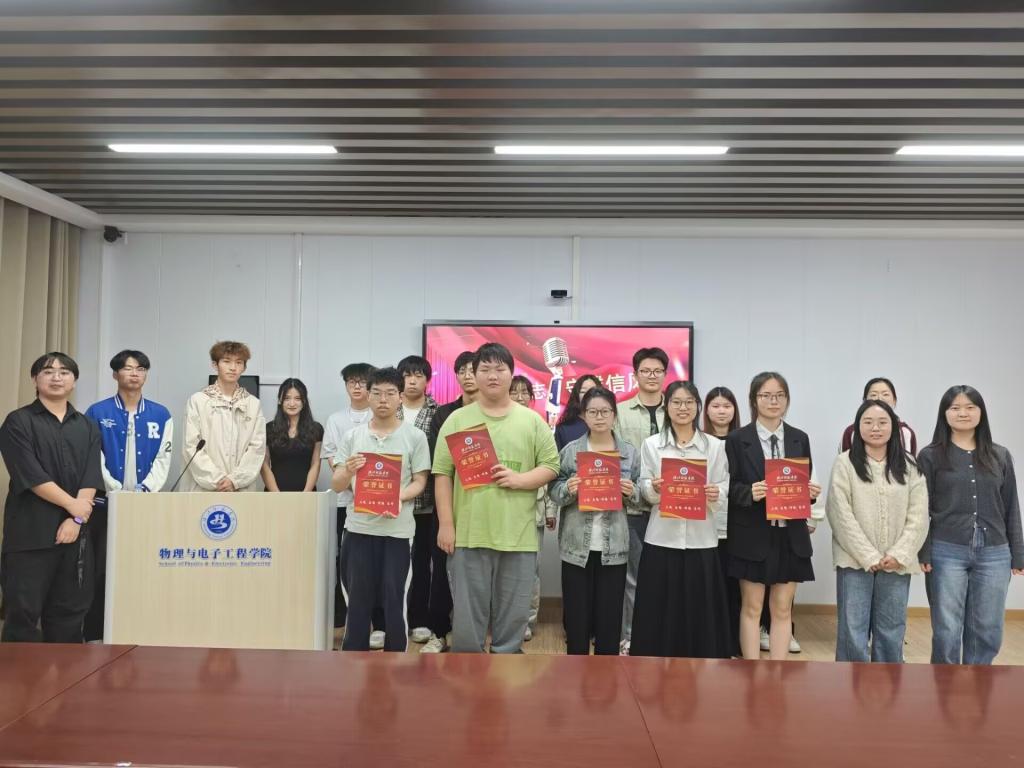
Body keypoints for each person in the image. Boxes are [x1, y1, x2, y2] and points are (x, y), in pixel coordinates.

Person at [433, 343, 559, 654]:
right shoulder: (457, 420)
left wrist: (520, 480)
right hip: (469, 534)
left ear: (511, 374)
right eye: (485, 369)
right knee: (467, 622)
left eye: (499, 369)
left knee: (513, 622)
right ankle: (468, 676)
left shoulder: (532, 421)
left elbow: (551, 466)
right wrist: (446, 524)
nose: (492, 375)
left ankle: (506, 674)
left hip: (518, 537)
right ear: (474, 375)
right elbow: (442, 475)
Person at [0, 352, 103, 643]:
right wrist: (73, 507)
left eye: (64, 372)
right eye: (48, 372)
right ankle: (21, 674)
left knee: (70, 615)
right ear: (35, 379)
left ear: (74, 381)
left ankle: (65, 674)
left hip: (75, 537)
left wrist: (77, 520)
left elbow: (91, 476)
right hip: (30, 536)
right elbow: (31, 475)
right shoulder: (18, 421)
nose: (57, 377)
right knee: (23, 615)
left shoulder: (87, 425)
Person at [918, 385, 1024, 665]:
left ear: (981, 412)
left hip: (995, 552)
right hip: (945, 551)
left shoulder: (1000, 455)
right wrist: (924, 550)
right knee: (947, 628)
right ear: (944, 414)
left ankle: (978, 682)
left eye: (970, 407)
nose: (962, 413)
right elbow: (920, 509)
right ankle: (945, 684)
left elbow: (1011, 505)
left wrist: (1018, 553)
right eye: (955, 408)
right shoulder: (930, 456)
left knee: (988, 628)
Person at [724, 371, 823, 661]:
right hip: (752, 534)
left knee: (782, 608)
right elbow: (727, 486)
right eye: (766, 395)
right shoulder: (737, 439)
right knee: (752, 607)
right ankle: (751, 671)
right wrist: (749, 492)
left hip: (790, 535)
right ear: (754, 400)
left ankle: (778, 674)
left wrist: (810, 493)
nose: (773, 401)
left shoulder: (799, 438)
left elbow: (802, 482)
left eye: (779, 395)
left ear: (787, 400)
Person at [331, 367, 430, 652]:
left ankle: (396, 662)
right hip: (358, 529)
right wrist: (347, 470)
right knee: (357, 601)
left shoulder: (415, 437)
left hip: (397, 532)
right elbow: (338, 485)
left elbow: (420, 481)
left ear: (400, 397)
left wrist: (398, 497)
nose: (383, 399)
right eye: (377, 393)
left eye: (389, 393)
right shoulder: (353, 436)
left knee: (395, 600)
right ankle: (353, 661)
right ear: (368, 396)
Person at [632, 381, 731, 658]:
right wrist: (654, 488)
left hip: (702, 539)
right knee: (658, 607)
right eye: (676, 402)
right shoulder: (652, 444)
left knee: (699, 607)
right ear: (667, 406)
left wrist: (716, 492)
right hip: (661, 538)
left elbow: (724, 484)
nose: (683, 407)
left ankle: (700, 662)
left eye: (689, 402)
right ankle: (655, 662)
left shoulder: (714, 446)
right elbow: (643, 486)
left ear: (698, 406)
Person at [826, 399, 928, 663]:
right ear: (857, 427)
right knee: (852, 630)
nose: (875, 428)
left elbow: (918, 515)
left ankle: (888, 685)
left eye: (883, 422)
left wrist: (900, 554)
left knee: (891, 630)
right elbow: (839, 513)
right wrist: (868, 556)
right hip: (854, 561)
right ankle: (850, 686)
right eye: (868, 422)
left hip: (897, 563)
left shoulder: (910, 465)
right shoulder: (845, 463)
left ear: (893, 426)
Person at [83, 349, 174, 642]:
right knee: (101, 569)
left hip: (146, 505)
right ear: (115, 374)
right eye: (128, 368)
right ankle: (95, 633)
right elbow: (92, 457)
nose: (134, 373)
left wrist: (145, 489)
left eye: (140, 369)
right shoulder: (97, 412)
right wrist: (115, 490)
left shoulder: (161, 414)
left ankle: (141, 629)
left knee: (144, 567)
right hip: (105, 504)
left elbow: (164, 457)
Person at [549, 386, 639, 654]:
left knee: (609, 623)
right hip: (576, 548)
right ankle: (576, 673)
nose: (599, 417)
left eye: (605, 412)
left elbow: (642, 497)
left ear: (614, 415)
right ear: (584, 415)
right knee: (577, 623)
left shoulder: (629, 453)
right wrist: (568, 488)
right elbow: (554, 490)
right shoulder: (570, 451)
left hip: (615, 549)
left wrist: (632, 492)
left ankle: (606, 675)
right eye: (593, 412)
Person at [420, 351, 478, 653]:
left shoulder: (494, 412)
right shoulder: (444, 414)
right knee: (442, 571)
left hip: (482, 502)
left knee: (480, 575)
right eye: (462, 371)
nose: (468, 376)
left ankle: (478, 636)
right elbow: (438, 461)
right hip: (447, 503)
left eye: (472, 370)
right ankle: (439, 632)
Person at [614, 347, 668, 654]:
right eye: (645, 371)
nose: (651, 376)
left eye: (657, 371)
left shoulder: (677, 408)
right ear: (635, 375)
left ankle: (663, 636)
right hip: (633, 508)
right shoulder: (620, 412)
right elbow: (616, 457)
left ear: (665, 374)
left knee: (666, 577)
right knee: (633, 578)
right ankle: (631, 637)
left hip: (669, 509)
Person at [322, 362, 379, 639]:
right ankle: (349, 621)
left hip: (377, 501)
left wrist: (368, 488)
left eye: (362, 382)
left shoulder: (380, 416)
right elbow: (333, 458)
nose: (357, 387)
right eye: (351, 382)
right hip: (346, 501)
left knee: (377, 563)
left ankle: (378, 623)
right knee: (347, 562)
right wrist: (350, 481)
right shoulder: (335, 420)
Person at [180, 340, 266, 493]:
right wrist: (218, 480)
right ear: (215, 365)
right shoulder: (198, 401)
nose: (233, 368)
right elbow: (191, 446)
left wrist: (235, 480)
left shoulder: (253, 404)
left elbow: (257, 448)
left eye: (239, 362)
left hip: (240, 489)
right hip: (204, 488)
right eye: (227, 361)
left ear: (244, 367)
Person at [397, 355, 440, 645]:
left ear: (427, 380)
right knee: (394, 564)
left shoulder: (437, 412)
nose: (412, 381)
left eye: (418, 375)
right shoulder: (389, 409)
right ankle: (390, 621)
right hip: (392, 503)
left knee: (423, 564)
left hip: (426, 503)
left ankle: (419, 619)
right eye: (407, 375)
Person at [510, 374, 553, 641]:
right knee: (503, 571)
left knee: (530, 570)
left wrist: (550, 511)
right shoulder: (493, 424)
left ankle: (526, 620)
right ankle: (502, 619)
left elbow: (550, 470)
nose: (520, 397)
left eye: (524, 392)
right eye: (514, 392)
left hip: (532, 510)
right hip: (502, 509)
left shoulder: (540, 426)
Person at [702, 385, 742, 656]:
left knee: (735, 587)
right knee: (709, 586)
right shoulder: (700, 442)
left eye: (727, 406)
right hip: (706, 525)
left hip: (738, 526)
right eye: (715, 406)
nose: (721, 411)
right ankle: (711, 641)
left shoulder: (743, 441)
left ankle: (733, 643)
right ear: (706, 410)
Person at [261, 378, 323, 492]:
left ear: (304, 401)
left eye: (297, 398)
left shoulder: (316, 429)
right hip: (274, 494)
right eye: (287, 398)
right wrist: (276, 494)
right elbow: (264, 465)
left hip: (306, 494)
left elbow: (316, 463)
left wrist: (305, 493)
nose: (292, 403)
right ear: (280, 400)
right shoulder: (269, 428)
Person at [839, 377, 918, 455]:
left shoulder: (906, 433)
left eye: (885, 394)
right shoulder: (851, 432)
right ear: (865, 401)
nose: (879, 398)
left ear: (894, 400)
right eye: (873, 395)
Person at [554, 374, 602, 451]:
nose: (588, 394)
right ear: (576, 396)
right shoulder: (563, 430)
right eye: (583, 391)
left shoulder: (609, 424)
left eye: (593, 390)